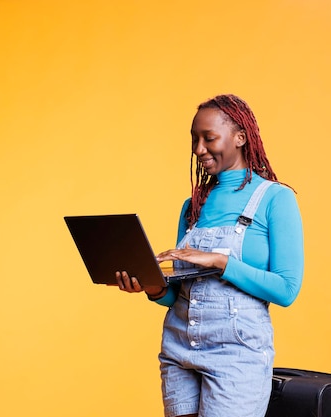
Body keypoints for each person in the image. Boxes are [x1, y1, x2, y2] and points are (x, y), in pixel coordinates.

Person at [115, 94, 304, 417]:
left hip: (236, 353)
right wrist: (152, 287)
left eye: (209, 138)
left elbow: (287, 290)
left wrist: (220, 262)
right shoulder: (193, 207)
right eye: (194, 139)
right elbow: (175, 293)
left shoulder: (275, 198)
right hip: (178, 345)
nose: (198, 149)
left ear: (240, 138)